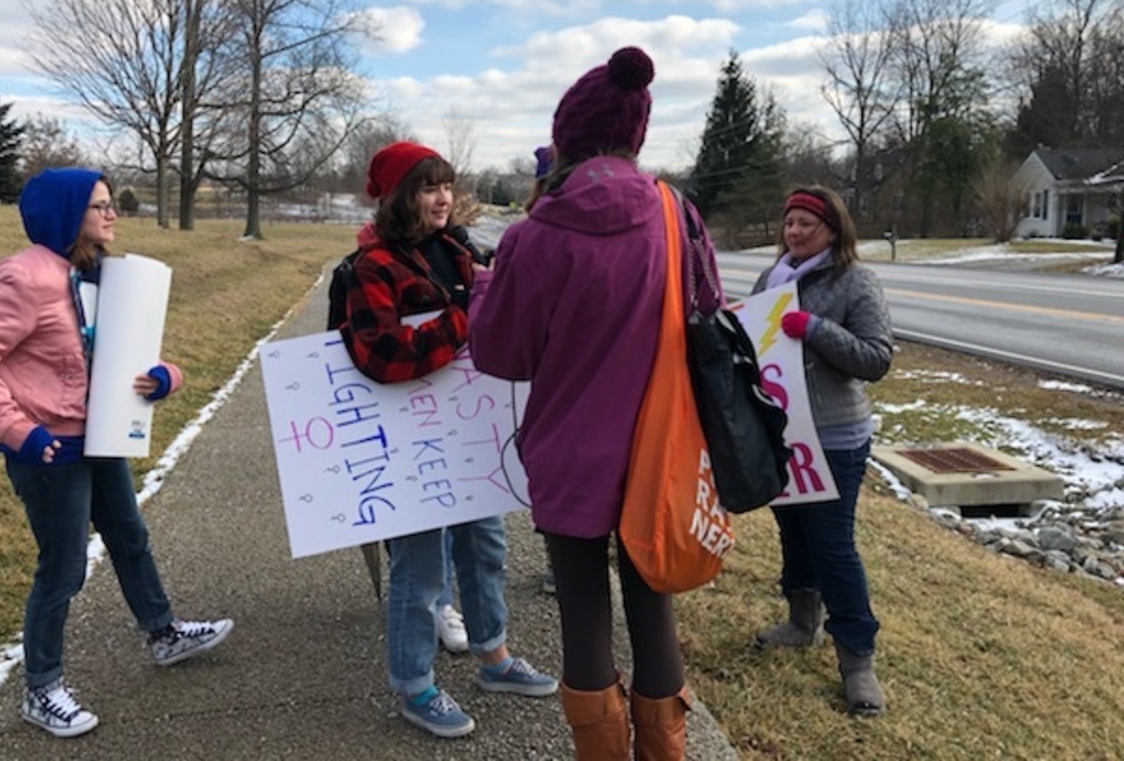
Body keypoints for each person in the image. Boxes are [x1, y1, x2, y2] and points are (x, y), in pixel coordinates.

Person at [468, 46, 720, 760]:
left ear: (568, 136)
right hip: (662, 449)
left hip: (570, 454)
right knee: (653, 606)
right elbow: (709, 313)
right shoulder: (677, 214)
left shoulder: (534, 234)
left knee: (583, 615)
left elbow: (501, 355)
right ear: (635, 133)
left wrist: (486, 288)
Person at [0, 168, 233, 739]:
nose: (112, 213)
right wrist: (21, 432)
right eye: (99, 205)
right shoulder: (27, 280)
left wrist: (164, 376)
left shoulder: (98, 275)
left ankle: (163, 633)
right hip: (50, 453)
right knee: (64, 569)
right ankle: (41, 689)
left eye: (109, 203)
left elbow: (125, 353)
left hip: (102, 437)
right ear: (66, 215)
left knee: (130, 538)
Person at [337, 141, 557, 739]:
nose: (442, 198)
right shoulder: (373, 265)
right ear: (400, 195)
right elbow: (382, 356)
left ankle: (494, 657)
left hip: (467, 433)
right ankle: (415, 686)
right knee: (420, 566)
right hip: (406, 446)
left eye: (446, 185)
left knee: (485, 547)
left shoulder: (459, 250)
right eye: (428, 186)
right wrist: (465, 317)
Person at [750, 185, 893, 716]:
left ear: (833, 228)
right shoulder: (772, 280)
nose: (794, 232)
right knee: (794, 534)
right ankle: (801, 622)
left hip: (834, 438)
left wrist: (815, 330)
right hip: (782, 436)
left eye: (806, 224)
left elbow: (877, 359)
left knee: (833, 546)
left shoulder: (857, 282)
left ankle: (858, 660)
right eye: (788, 223)